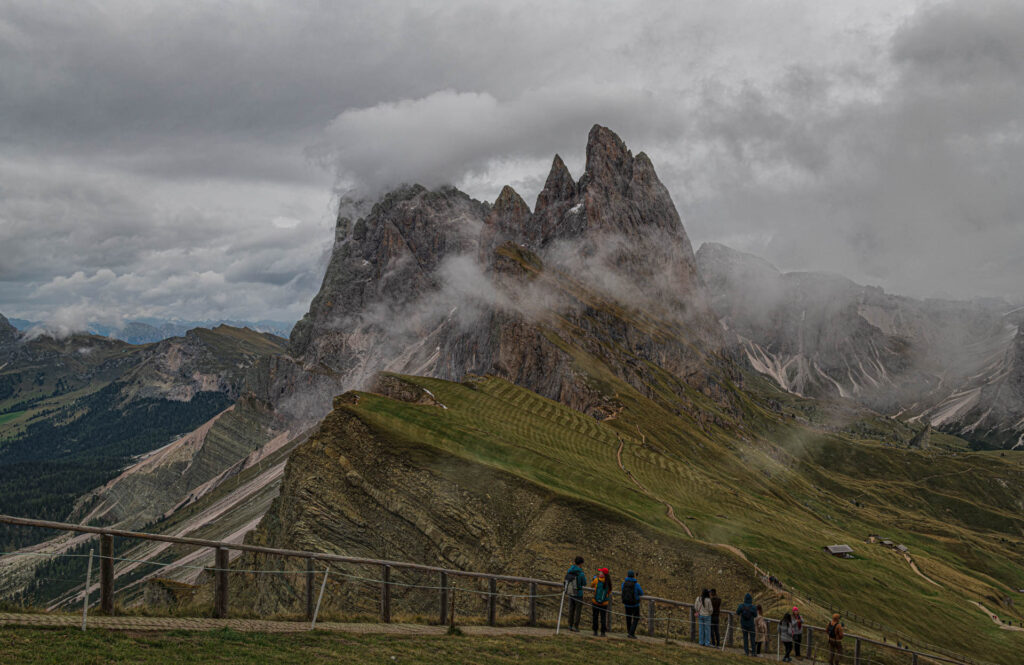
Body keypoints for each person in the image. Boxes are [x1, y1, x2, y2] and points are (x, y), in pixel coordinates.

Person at [564, 556, 587, 632]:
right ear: (580, 564)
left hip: (571, 592)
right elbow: (584, 583)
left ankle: (569, 625)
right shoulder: (580, 573)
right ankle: (575, 626)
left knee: (571, 609)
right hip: (579, 593)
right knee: (578, 611)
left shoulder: (569, 570)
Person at [621, 570, 644, 639]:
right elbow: (641, 593)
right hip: (635, 604)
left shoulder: (624, 583)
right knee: (636, 618)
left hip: (627, 604)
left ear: (627, 575)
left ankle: (629, 632)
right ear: (633, 576)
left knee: (628, 618)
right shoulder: (636, 584)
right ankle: (631, 633)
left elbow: (622, 590)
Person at [591, 568, 612, 637]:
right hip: (604, 603)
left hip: (595, 602)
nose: (599, 573)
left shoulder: (597, 580)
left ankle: (595, 631)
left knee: (595, 617)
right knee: (603, 618)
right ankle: (603, 632)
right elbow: (609, 592)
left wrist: (593, 579)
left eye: (600, 572)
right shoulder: (608, 582)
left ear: (603, 574)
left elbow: (591, 585)